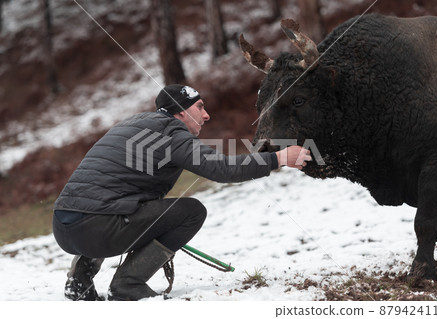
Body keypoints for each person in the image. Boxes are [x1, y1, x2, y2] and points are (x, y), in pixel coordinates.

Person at [52, 84, 311, 301]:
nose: (206, 115)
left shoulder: (133, 124)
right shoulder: (170, 132)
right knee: (191, 212)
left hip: (64, 228)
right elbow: (220, 169)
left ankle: (80, 279)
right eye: (199, 107)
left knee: (114, 202)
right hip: (98, 229)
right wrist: (278, 158)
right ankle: (128, 284)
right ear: (180, 113)